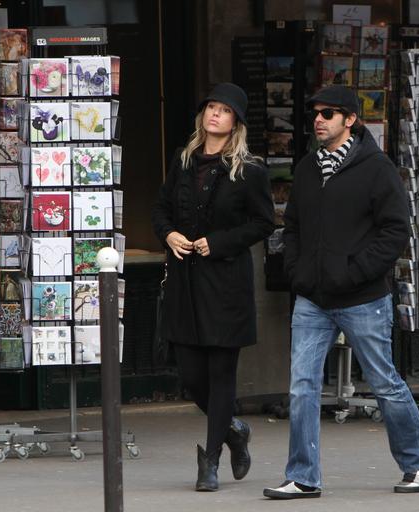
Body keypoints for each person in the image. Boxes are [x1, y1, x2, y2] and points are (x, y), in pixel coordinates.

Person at [263, 85, 419, 499]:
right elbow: (294, 227)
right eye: (316, 113)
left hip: (364, 298)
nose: (318, 119)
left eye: (328, 113)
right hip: (312, 298)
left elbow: (395, 231)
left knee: (384, 382)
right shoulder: (306, 168)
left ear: (350, 120)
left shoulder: (377, 168)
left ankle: (418, 460)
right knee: (301, 386)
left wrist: (356, 272)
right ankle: (303, 476)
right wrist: (298, 272)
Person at [151, 83, 274, 491]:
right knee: (191, 376)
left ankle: (211, 462)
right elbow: (161, 209)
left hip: (225, 284)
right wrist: (168, 235)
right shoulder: (183, 160)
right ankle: (234, 431)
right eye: (210, 108)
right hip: (185, 282)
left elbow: (263, 222)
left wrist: (218, 242)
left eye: (224, 110)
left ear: (235, 121)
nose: (215, 115)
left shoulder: (249, 168)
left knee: (221, 375)